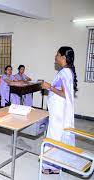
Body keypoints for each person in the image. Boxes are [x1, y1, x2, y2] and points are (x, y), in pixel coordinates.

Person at [41, 46, 77, 174]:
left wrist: (48, 87)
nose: (55, 57)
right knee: (55, 135)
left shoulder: (65, 72)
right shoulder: (65, 71)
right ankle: (54, 164)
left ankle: (52, 166)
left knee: (55, 136)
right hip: (57, 111)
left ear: (63, 57)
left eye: (57, 55)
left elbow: (64, 94)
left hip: (59, 113)